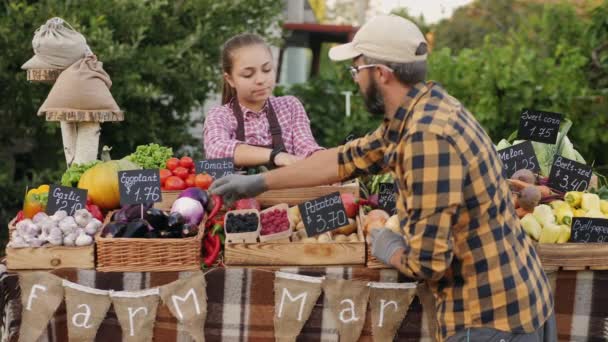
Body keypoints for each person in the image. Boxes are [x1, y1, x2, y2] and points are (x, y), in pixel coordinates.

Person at [210, 15, 557, 341]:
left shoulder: (425, 139)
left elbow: (429, 263)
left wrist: (386, 245)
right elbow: (344, 160)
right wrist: (260, 183)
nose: (355, 79)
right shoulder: (421, 109)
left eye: (355, 69)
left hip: (491, 317)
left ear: (381, 73)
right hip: (519, 297)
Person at [203, 33, 323, 169]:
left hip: (288, 191)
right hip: (240, 191)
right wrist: (276, 156)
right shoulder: (220, 115)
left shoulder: (290, 106)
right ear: (230, 79)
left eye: (266, 70)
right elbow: (215, 150)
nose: (260, 80)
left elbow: (307, 148)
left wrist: (329, 160)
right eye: (248, 74)